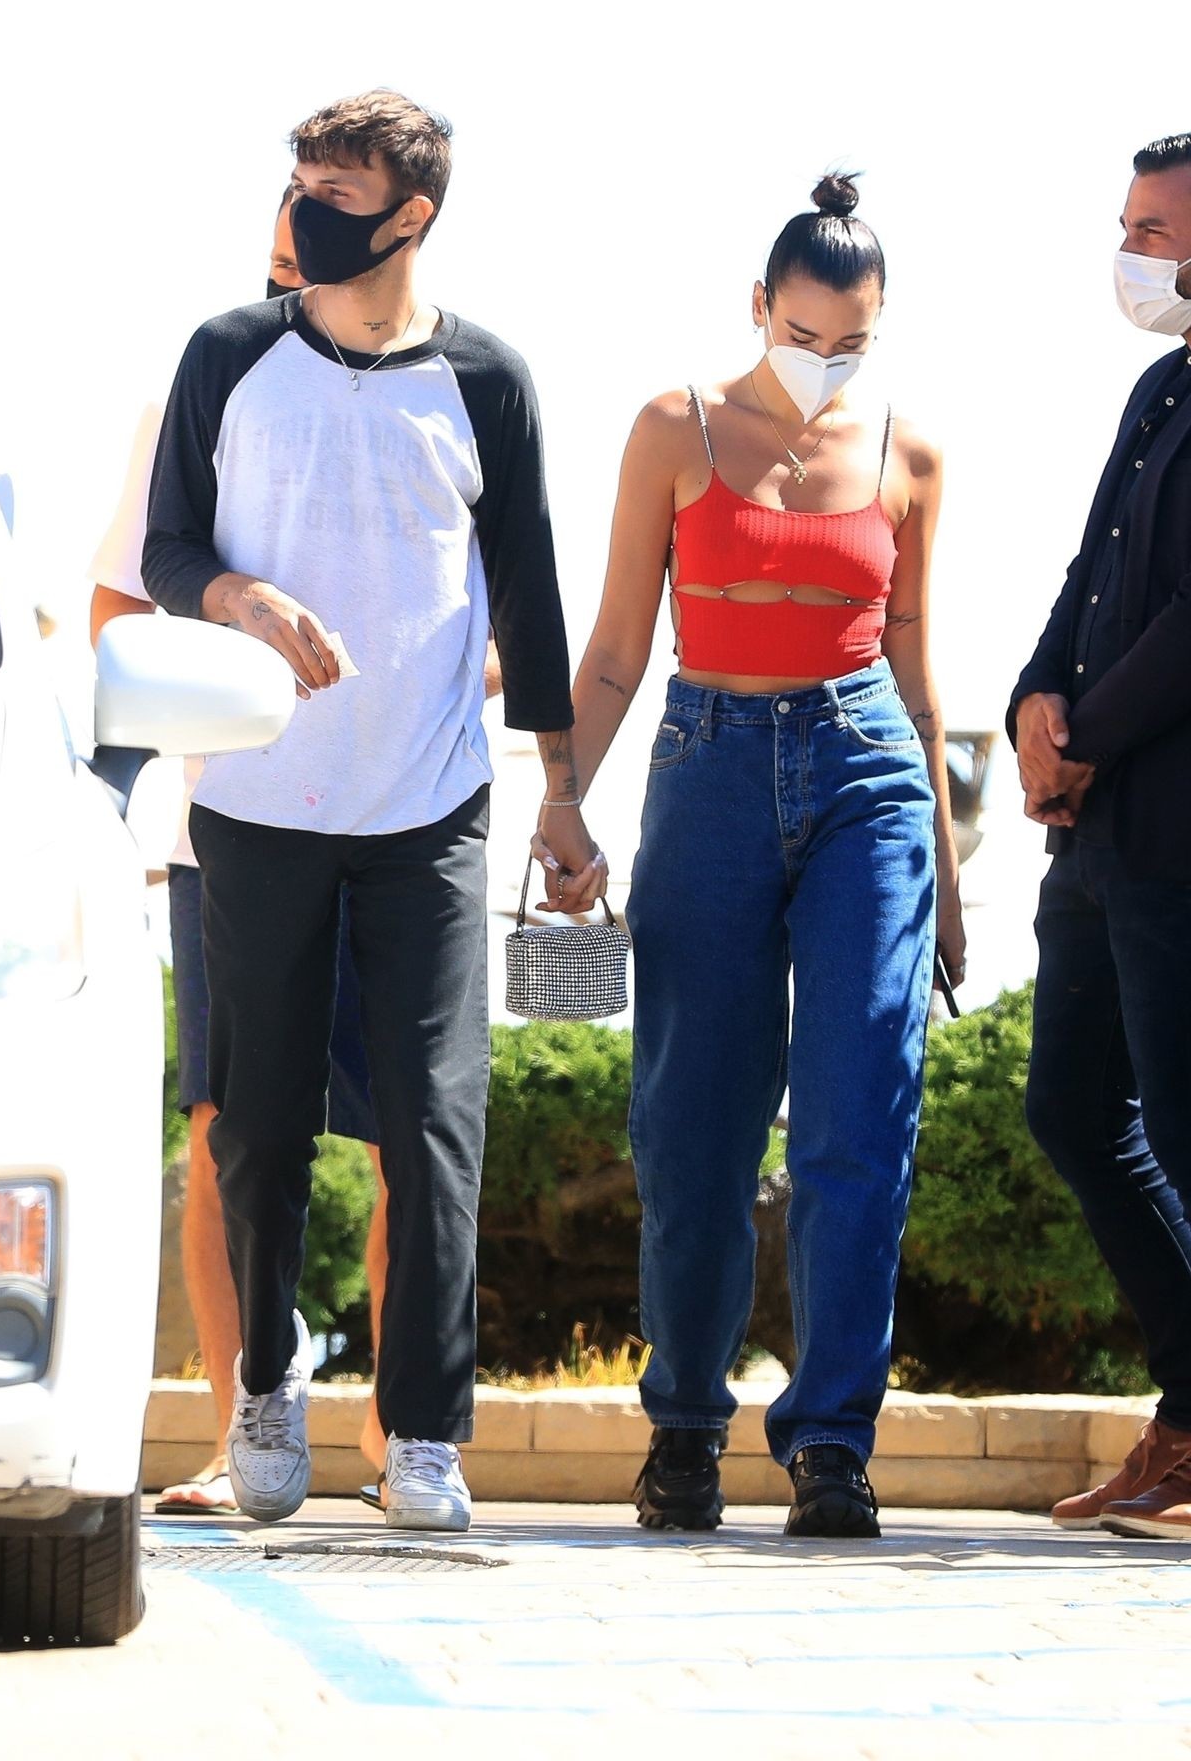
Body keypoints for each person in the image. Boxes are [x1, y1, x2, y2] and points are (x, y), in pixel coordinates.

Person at [141, 90, 604, 1533]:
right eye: (299, 183)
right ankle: (264, 1391)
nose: (305, 209)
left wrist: (562, 796)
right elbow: (166, 549)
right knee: (259, 1129)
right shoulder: (228, 354)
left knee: (435, 1123)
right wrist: (240, 597)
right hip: (255, 801)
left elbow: (531, 598)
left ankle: (423, 1436)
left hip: (431, 807)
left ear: (412, 215)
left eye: (334, 190)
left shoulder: (489, 381)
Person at [543, 173, 962, 1538]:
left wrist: (949, 874)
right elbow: (617, 647)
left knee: (859, 1116)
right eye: (803, 332)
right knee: (693, 1127)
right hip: (707, 763)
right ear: (759, 307)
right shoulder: (674, 428)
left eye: (852, 340)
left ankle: (832, 1444)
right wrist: (561, 798)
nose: (825, 358)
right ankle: (682, 1429)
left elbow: (916, 668)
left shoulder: (910, 453)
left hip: (868, 776)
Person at [89, 189, 396, 1510]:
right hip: (227, 829)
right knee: (224, 1133)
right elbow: (117, 605)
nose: (292, 289)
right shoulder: (197, 395)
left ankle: (401, 1441)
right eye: (277, 265)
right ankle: (237, 1437)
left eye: (315, 264)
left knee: (409, 1139)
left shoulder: (441, 395)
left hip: (395, 822)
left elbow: (499, 622)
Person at [1011, 132, 1191, 1542]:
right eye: (1127, 226)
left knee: (1185, 1125)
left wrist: (1088, 737)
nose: (1129, 253)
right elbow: (1095, 573)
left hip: (1173, 819)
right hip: (1098, 830)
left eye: (1154, 231)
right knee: (1074, 1108)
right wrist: (1033, 701)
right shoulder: (1160, 386)